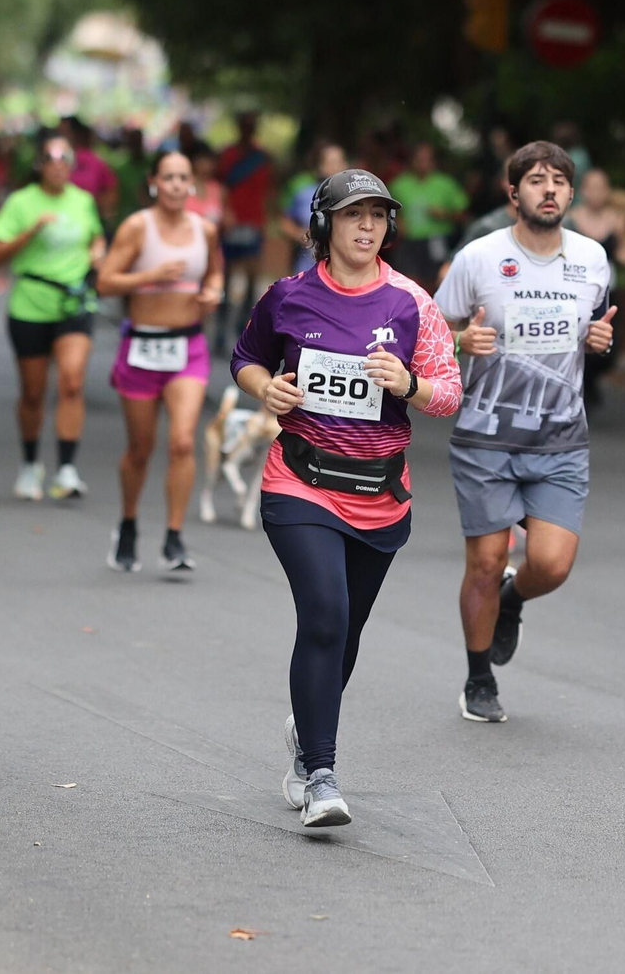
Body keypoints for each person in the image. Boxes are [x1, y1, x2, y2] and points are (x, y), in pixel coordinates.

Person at [231, 168, 461, 826]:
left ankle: (307, 731)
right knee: (325, 615)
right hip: (299, 481)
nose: (367, 227)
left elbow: (449, 392)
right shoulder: (288, 296)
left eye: (379, 216)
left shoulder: (411, 303)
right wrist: (262, 388)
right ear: (324, 224)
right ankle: (320, 775)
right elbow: (246, 356)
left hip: (379, 492)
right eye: (354, 215)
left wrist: (409, 382)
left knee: (346, 632)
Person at [434, 141, 616, 723]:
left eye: (560, 180)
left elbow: (597, 326)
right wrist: (461, 342)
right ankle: (479, 677)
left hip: (561, 435)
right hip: (487, 434)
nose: (550, 190)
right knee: (486, 561)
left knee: (553, 565)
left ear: (572, 192)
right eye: (537, 180)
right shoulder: (479, 258)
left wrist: (598, 342)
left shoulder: (591, 258)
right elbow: (435, 328)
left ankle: (513, 601)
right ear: (514, 193)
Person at [94, 151, 225, 572]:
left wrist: (213, 293)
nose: (174, 185)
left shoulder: (204, 229)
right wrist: (148, 277)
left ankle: (173, 537)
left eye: (182, 177)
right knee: (140, 448)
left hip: (188, 347)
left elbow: (216, 274)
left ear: (192, 184)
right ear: (154, 181)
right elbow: (105, 282)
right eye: (167, 177)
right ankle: (129, 524)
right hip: (142, 347)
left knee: (184, 441)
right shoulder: (138, 227)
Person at [0, 134, 106, 502]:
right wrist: (32, 230)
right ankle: (29, 465)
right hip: (31, 302)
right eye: (51, 156)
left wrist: (97, 254)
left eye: (65, 156)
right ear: (39, 163)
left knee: (71, 381)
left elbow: (96, 238)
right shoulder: (21, 202)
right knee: (34, 392)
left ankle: (67, 469)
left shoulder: (83, 201)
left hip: (74, 302)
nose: (58, 163)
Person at [567, 169, 625, 406]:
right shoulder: (570, 219)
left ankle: (590, 381)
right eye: (592, 187)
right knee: (578, 339)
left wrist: (622, 238)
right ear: (582, 191)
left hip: (607, 291)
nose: (597, 193)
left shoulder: (616, 220)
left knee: (608, 346)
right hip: (575, 291)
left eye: (602, 188)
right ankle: (582, 386)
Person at [217, 111, 273, 337]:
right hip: (231, 222)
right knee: (226, 276)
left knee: (251, 278)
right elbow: (219, 186)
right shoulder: (228, 155)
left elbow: (270, 191)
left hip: (254, 222)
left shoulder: (264, 158)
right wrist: (225, 211)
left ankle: (243, 326)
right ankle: (221, 328)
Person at [388, 142, 469, 291]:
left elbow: (464, 215)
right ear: (412, 161)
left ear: (434, 162)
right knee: (408, 281)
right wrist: (397, 221)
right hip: (409, 242)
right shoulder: (399, 185)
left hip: (437, 240)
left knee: (438, 279)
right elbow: (388, 212)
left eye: (427, 160)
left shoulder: (446, 184)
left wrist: (445, 214)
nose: (423, 164)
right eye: (419, 159)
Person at [280, 143, 348, 275]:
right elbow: (285, 223)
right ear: (319, 167)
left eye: (339, 162)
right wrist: (301, 235)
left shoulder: (354, 198)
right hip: (307, 269)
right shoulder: (304, 193)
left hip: (343, 273)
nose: (335, 167)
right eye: (330, 162)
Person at [62, 116, 119, 219]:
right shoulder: (55, 161)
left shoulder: (93, 160)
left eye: (64, 133)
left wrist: (94, 205)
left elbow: (111, 191)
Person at [185, 143, 225, 226]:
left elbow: (226, 220)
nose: (207, 165)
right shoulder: (184, 186)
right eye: (202, 160)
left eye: (210, 161)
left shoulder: (219, 189)